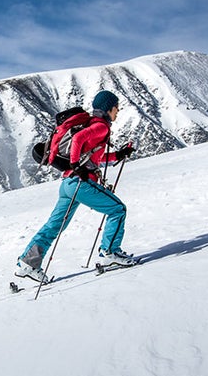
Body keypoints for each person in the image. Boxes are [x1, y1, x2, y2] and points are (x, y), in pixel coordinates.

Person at [15, 90, 136, 282]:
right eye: (116, 108)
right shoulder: (101, 126)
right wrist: (76, 165)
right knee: (118, 210)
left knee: (54, 225)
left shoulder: (92, 124)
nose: (118, 111)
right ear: (108, 108)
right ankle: (110, 253)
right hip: (81, 182)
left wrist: (118, 155)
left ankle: (28, 263)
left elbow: (93, 157)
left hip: (68, 183)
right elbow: (78, 140)